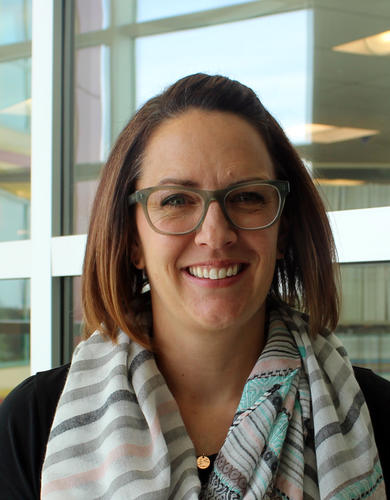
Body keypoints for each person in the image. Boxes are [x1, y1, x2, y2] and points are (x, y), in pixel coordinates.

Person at [0, 73, 389, 500]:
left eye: (247, 196)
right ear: (132, 241)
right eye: (176, 200)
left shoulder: (375, 413)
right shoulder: (33, 423)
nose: (215, 234)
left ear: (284, 226)